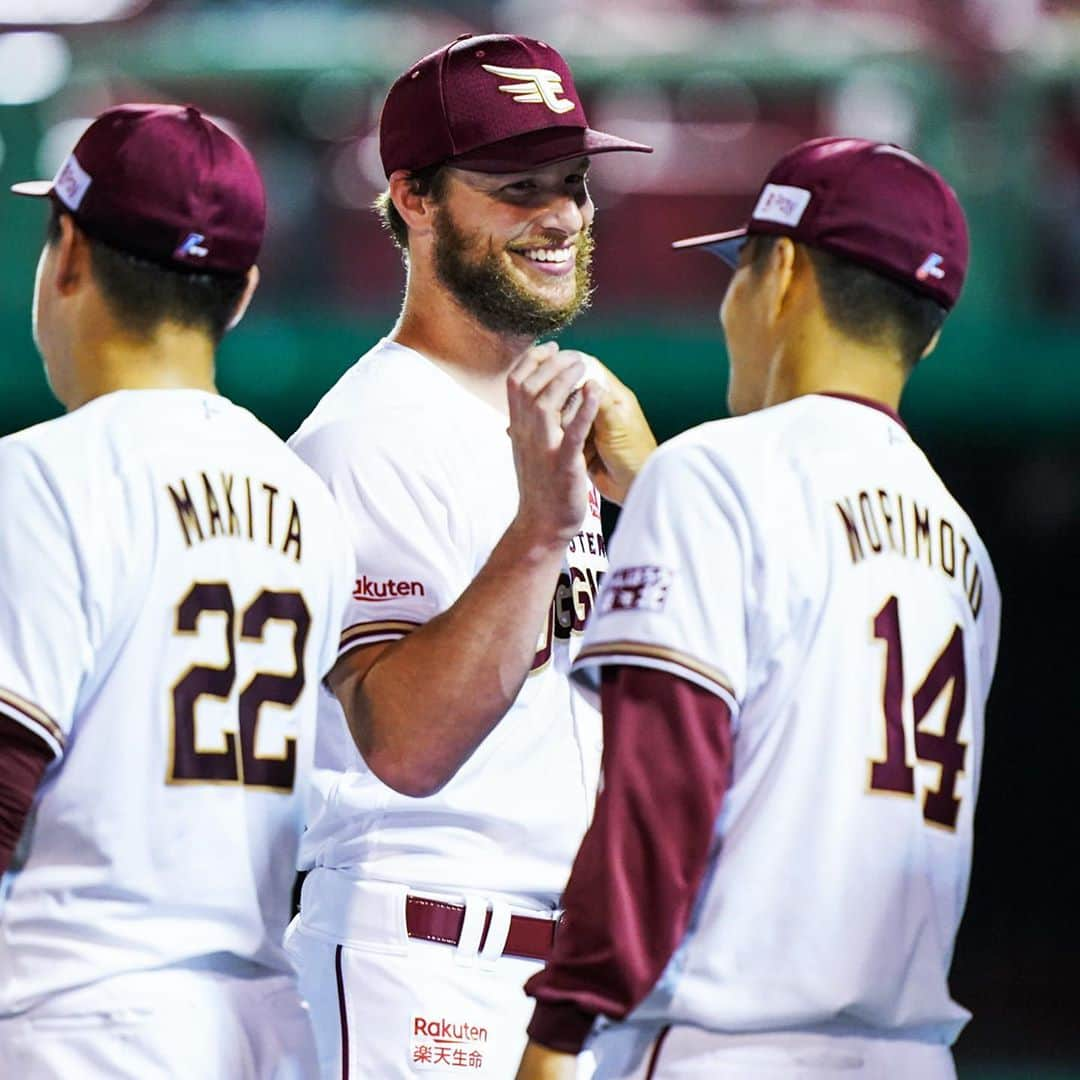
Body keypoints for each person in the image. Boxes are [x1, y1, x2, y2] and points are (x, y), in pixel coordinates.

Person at [516, 136, 1001, 1080]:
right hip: (908, 1055)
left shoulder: (717, 470)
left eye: (737, 270)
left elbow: (659, 802)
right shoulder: (964, 550)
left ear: (778, 271)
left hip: (723, 1047)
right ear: (930, 330)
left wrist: (558, 1034)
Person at [285, 32, 657, 1080]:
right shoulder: (366, 432)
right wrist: (544, 525)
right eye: (515, 186)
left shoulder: (571, 410)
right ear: (412, 196)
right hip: (424, 964)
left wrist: (655, 491)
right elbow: (403, 747)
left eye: (574, 184)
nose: (561, 216)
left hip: (565, 982)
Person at [0, 103, 353, 1078]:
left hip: (74, 1017)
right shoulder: (306, 498)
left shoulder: (42, 474)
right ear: (239, 293)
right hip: (258, 1027)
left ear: (66, 252)